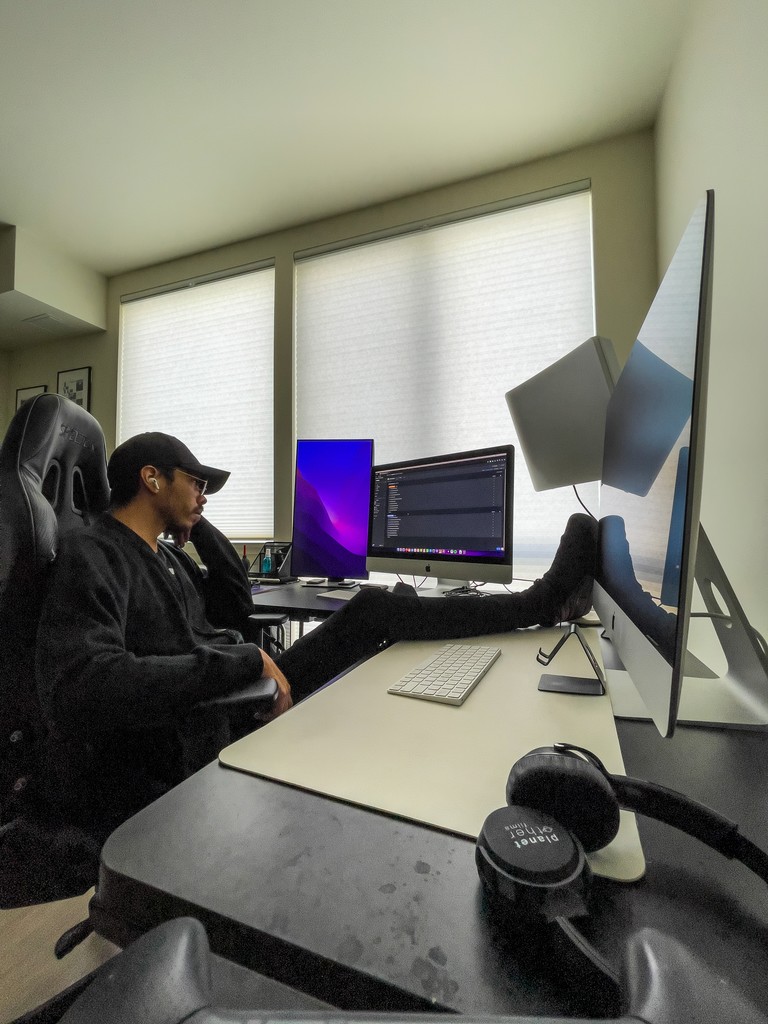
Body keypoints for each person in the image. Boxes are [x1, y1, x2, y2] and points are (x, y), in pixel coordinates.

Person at [36, 432, 597, 838]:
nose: (205, 495)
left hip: (232, 700)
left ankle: (540, 603)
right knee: (376, 618)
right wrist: (246, 664)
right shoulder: (94, 553)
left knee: (379, 608)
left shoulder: (165, 557)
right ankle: (541, 602)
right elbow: (83, 685)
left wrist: (193, 520)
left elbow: (234, 609)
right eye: (197, 483)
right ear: (151, 478)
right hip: (196, 733)